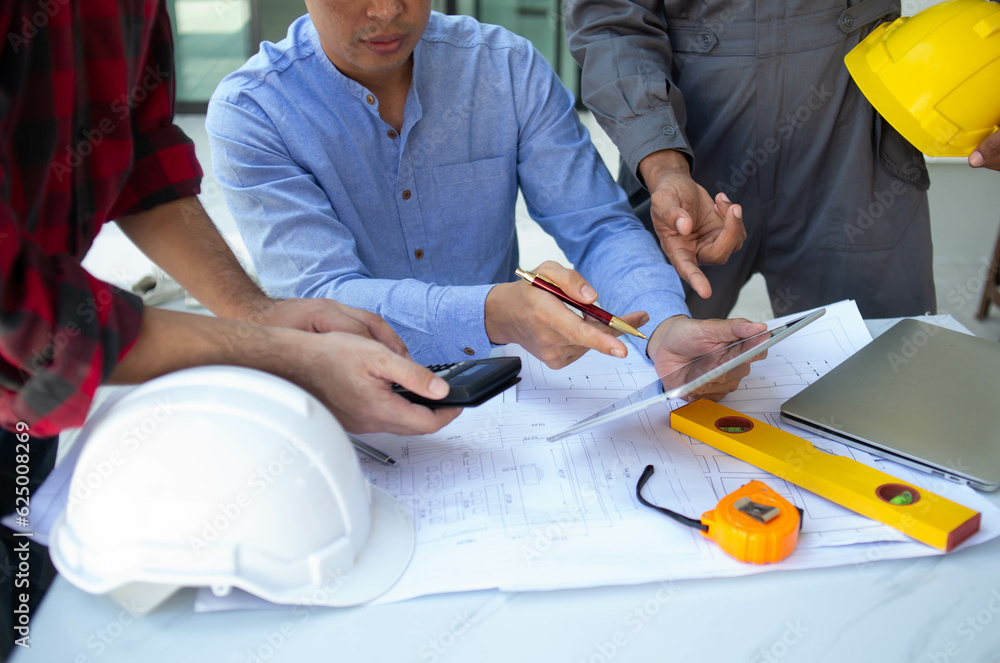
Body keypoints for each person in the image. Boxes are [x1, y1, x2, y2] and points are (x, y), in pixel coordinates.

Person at [0, 2, 455, 655]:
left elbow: (138, 152)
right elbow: (19, 308)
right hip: (32, 363)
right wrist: (280, 354)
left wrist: (257, 312)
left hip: (32, 406)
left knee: (38, 603)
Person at [206, 0, 767, 387]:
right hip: (349, 391)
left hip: (502, 385)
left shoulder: (503, 66)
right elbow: (323, 299)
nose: (386, 11)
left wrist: (663, 327)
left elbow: (597, 225)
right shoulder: (255, 112)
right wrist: (497, 313)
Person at [565, 0, 938, 320]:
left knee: (875, 370)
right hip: (684, 141)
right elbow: (611, 19)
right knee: (648, 363)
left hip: (850, 134)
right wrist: (664, 166)